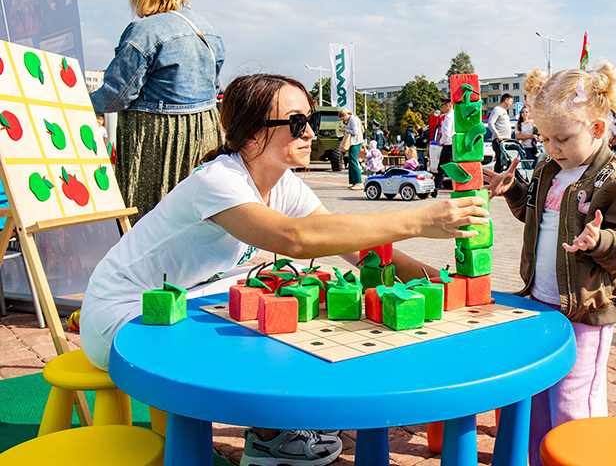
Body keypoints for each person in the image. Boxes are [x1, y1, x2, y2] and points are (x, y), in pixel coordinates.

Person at [79, 73, 488, 466]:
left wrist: (437, 281)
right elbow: (293, 238)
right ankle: (272, 437)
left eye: (310, 120)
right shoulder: (218, 181)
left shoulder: (282, 182)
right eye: (296, 123)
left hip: (189, 296)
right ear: (253, 132)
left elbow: (355, 249)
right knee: (279, 306)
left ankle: (276, 429)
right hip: (124, 315)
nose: (310, 132)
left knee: (303, 290)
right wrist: (419, 221)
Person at [484, 65, 616, 466]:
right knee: (538, 393)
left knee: (575, 397)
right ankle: (539, 458)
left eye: (562, 138)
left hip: (586, 308)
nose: (551, 148)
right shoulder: (549, 169)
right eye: (544, 138)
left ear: (597, 129)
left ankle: (583, 457)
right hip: (540, 300)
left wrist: (602, 240)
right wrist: (515, 191)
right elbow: (536, 216)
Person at [90, 0, 225, 224]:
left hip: (159, 136)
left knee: (149, 217)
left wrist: (76, 104)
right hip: (205, 131)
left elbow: (118, 93)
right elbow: (214, 85)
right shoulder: (208, 29)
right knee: (193, 212)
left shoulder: (145, 31)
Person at [431, 98, 453, 197]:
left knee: (442, 168)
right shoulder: (456, 115)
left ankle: (435, 189)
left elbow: (446, 133)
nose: (442, 108)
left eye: (443, 106)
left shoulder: (448, 117)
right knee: (455, 167)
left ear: (447, 105)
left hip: (448, 145)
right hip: (456, 145)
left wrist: (440, 142)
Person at [338, 109, 364, 190]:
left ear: (345, 115)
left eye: (342, 118)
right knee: (351, 161)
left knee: (353, 161)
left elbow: (355, 132)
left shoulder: (353, 119)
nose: (343, 120)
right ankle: (354, 182)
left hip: (355, 143)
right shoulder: (353, 119)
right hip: (355, 142)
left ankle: (359, 182)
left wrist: (346, 130)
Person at [488, 93, 513, 172]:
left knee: (507, 159)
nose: (511, 103)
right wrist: (497, 134)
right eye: (510, 101)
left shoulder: (504, 111)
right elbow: (490, 123)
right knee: (500, 160)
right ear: (506, 100)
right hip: (499, 139)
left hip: (506, 139)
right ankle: (497, 176)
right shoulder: (497, 109)